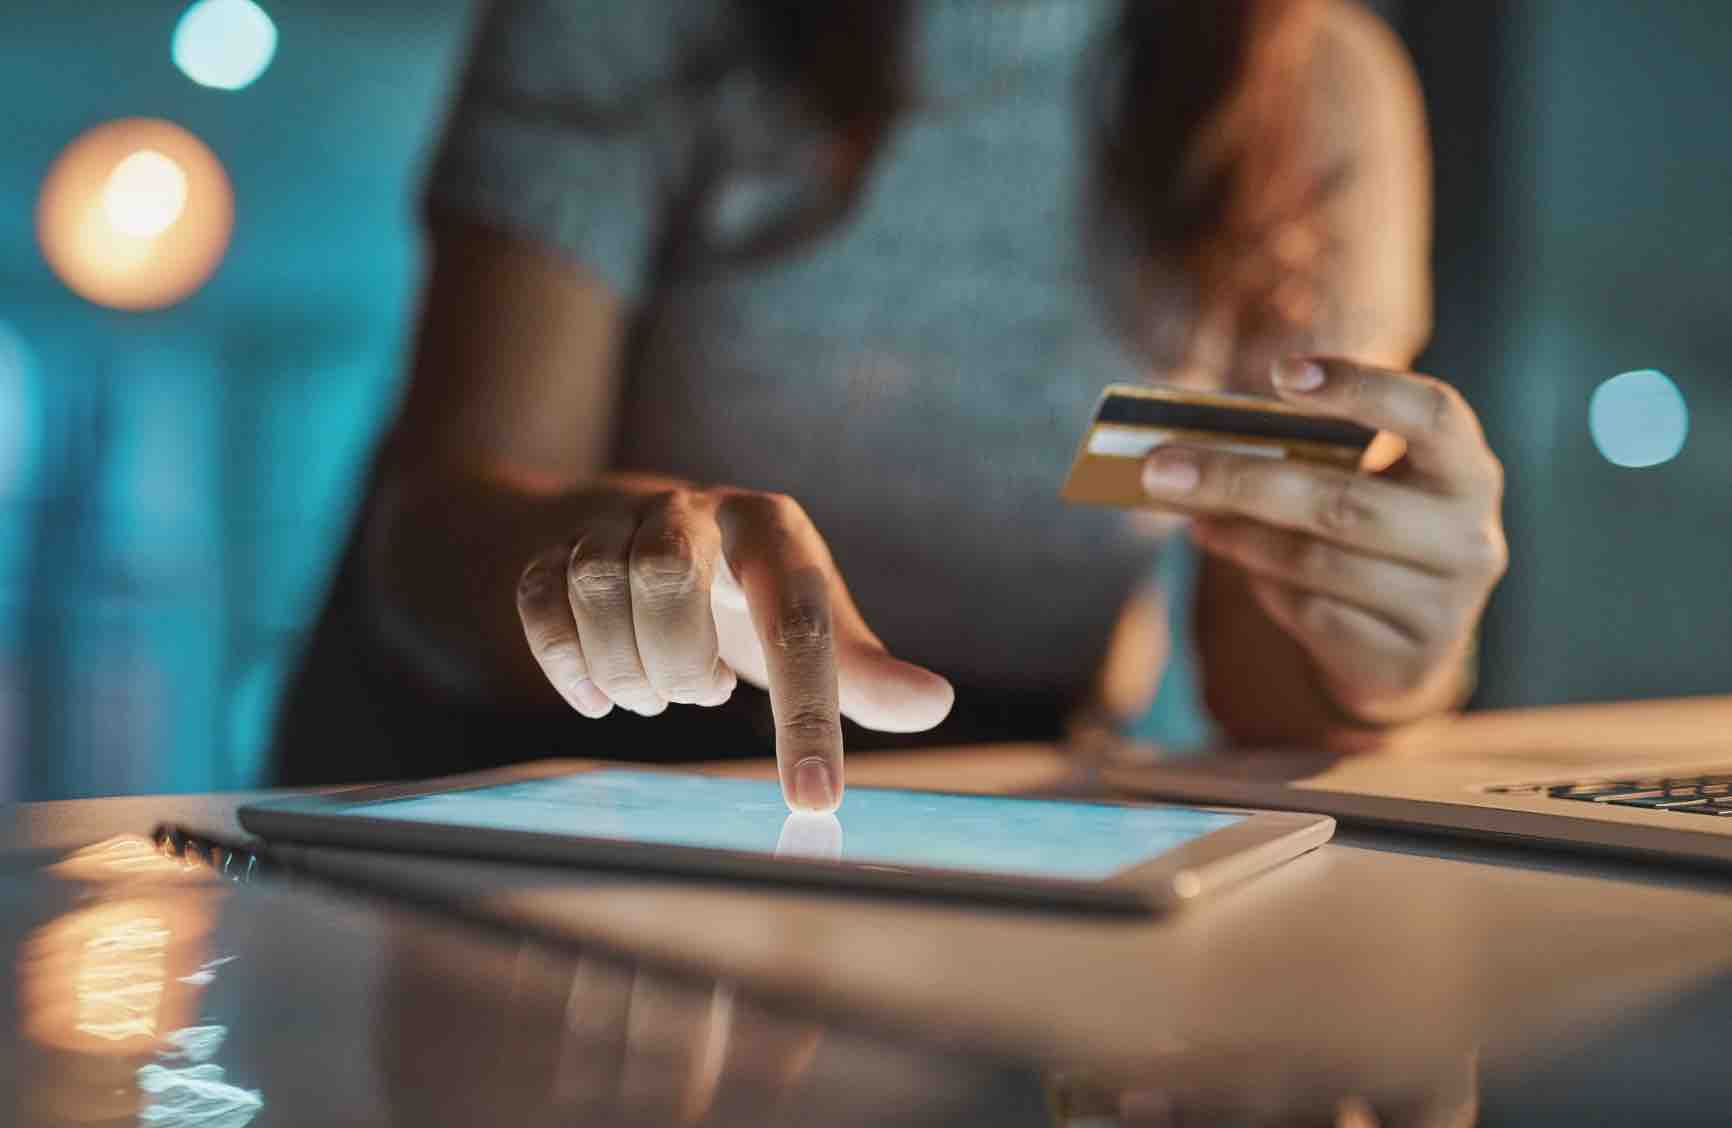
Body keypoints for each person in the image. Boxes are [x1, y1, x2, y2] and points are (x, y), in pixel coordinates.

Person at [271, 0, 1507, 812]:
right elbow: (434, 528)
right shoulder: (634, 22)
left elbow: (1260, 672)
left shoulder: (1312, 91)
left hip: (1001, 826)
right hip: (541, 788)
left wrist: (1391, 649)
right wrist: (621, 561)